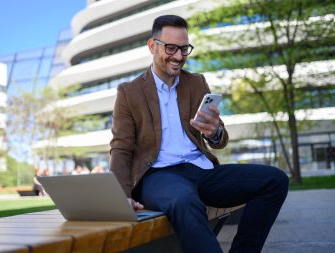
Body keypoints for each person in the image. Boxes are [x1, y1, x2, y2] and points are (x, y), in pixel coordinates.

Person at [109, 15, 289, 253]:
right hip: (160, 176)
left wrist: (214, 132)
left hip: (202, 172)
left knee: (275, 180)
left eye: (184, 49)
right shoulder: (129, 92)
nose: (179, 56)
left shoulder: (196, 83)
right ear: (152, 46)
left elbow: (221, 139)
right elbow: (121, 147)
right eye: (171, 48)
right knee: (184, 199)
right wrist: (121, 196)